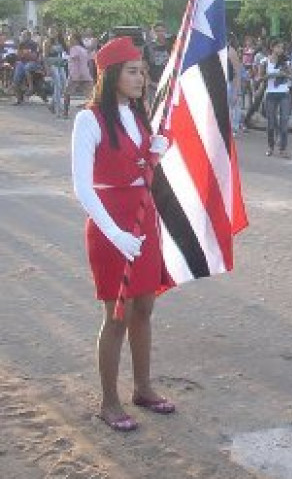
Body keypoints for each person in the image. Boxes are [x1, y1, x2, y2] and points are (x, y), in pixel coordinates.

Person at [70, 37, 174, 433]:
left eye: (143, 71)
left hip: (144, 220)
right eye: (132, 71)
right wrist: (113, 233)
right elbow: (82, 187)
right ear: (111, 74)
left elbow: (141, 169)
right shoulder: (90, 119)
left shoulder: (140, 115)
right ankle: (108, 400)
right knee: (117, 316)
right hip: (110, 224)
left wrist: (157, 153)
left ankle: (143, 388)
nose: (141, 78)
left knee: (144, 308)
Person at [261, 39, 292, 158]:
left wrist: (285, 75)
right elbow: (259, 77)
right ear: (272, 47)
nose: (280, 50)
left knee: (284, 121)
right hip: (270, 94)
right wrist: (271, 75)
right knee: (271, 123)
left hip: (284, 93)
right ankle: (270, 146)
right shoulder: (264, 61)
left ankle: (283, 149)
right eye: (278, 47)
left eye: (282, 48)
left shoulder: (285, 62)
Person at [64, 31, 95, 119]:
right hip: (86, 74)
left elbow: (74, 62)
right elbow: (89, 62)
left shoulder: (74, 49)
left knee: (67, 93)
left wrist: (76, 75)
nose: (68, 41)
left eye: (70, 39)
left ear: (75, 40)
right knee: (90, 95)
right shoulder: (83, 49)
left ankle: (65, 113)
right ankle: (94, 112)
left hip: (75, 75)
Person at [143, 22, 171, 107]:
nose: (160, 33)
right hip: (153, 85)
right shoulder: (148, 47)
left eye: (162, 31)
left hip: (169, 84)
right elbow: (144, 66)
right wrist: (150, 81)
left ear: (165, 31)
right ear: (153, 33)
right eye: (157, 31)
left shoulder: (171, 45)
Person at [42, 25, 68, 117]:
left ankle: (52, 104)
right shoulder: (47, 42)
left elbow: (66, 52)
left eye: (54, 31)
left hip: (60, 63)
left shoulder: (61, 41)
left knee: (64, 84)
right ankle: (58, 109)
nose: (52, 33)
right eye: (50, 31)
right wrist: (47, 68)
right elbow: (45, 56)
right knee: (58, 85)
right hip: (52, 63)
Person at [226, 34, 243, 135]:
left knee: (232, 106)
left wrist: (236, 89)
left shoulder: (231, 51)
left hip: (230, 83)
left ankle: (233, 128)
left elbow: (237, 72)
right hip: (223, 82)